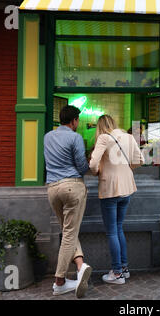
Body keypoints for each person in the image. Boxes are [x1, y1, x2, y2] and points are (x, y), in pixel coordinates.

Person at [44, 105, 92, 297]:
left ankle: (80, 266)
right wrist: (91, 163)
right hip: (72, 186)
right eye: (77, 121)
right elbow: (81, 167)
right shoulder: (75, 137)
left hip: (52, 188)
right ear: (74, 121)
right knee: (70, 234)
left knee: (68, 231)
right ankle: (59, 280)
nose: (77, 124)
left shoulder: (47, 136)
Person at [89, 115, 144, 285]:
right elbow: (140, 160)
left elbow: (92, 164)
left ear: (100, 126)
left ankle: (117, 273)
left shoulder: (104, 138)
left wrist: (98, 171)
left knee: (112, 231)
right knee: (119, 228)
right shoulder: (128, 137)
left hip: (110, 189)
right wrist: (125, 169)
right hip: (127, 188)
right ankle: (124, 268)